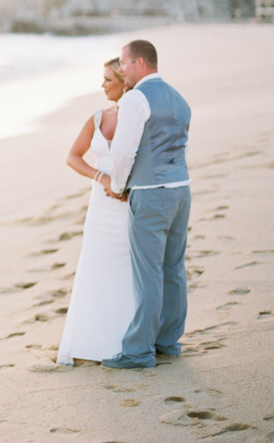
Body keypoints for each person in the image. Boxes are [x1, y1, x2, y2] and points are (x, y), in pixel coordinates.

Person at [99, 40, 191, 369]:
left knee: (148, 273)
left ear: (139, 62)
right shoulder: (179, 98)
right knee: (173, 269)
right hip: (181, 191)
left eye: (123, 63)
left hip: (151, 193)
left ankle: (138, 351)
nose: (120, 70)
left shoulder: (137, 98)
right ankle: (168, 342)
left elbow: (124, 151)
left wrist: (119, 185)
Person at [56, 58, 135, 366]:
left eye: (108, 80)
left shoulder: (140, 116)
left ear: (124, 82)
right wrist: (100, 177)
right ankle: (92, 341)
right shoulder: (98, 117)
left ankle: (127, 341)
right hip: (101, 208)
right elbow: (72, 156)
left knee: (127, 273)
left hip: (130, 206)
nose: (102, 86)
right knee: (96, 269)